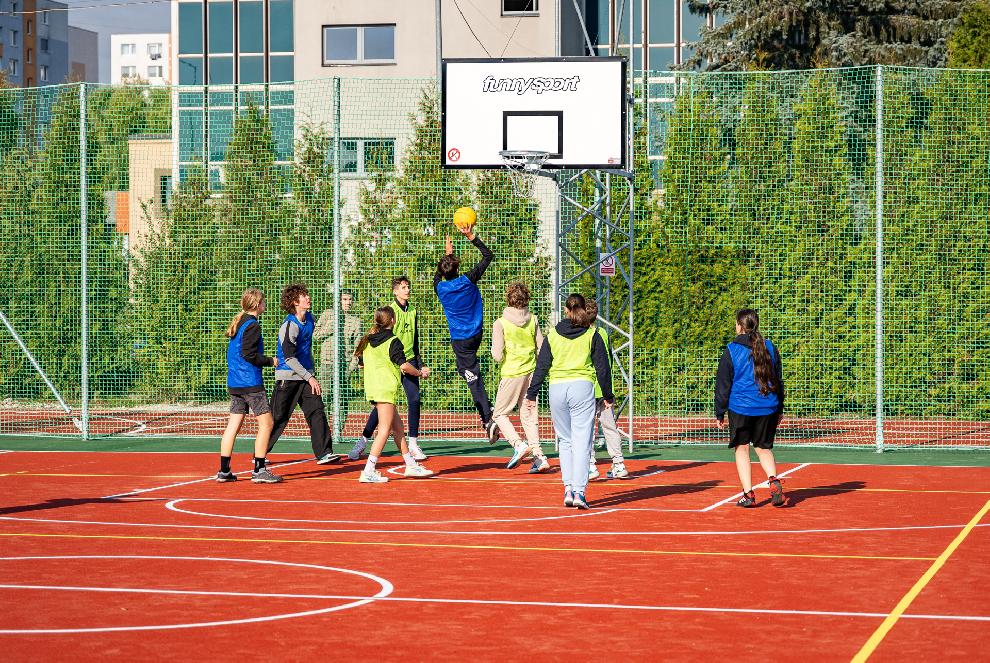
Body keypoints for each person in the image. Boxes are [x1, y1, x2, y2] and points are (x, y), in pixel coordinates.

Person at [524, 294, 614, 510]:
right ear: (584, 310)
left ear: (566, 310)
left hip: (557, 388)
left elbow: (542, 366)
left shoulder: (553, 334)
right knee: (582, 442)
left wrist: (531, 394)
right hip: (581, 387)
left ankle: (567, 489)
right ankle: (579, 492)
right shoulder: (592, 334)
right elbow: (603, 368)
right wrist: (608, 396)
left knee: (565, 441)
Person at [434, 221, 500, 444]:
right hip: (477, 333)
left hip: (461, 340)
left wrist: (446, 256)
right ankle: (487, 410)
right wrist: (470, 236)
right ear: (456, 268)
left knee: (472, 378)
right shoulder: (468, 279)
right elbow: (487, 256)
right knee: (466, 370)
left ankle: (488, 418)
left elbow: (437, 275)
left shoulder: (440, 288)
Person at [353, 306, 434, 483]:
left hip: (374, 388)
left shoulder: (367, 340)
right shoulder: (393, 341)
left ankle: (410, 465)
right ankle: (368, 470)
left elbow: (361, 364)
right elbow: (404, 366)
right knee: (384, 430)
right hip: (386, 389)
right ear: (392, 321)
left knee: (398, 429)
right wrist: (420, 373)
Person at [714, 308, 786, 507]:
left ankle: (749, 495)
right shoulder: (769, 347)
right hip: (768, 406)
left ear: (739, 326)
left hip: (741, 408)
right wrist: (780, 408)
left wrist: (719, 411)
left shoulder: (731, 350)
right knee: (763, 448)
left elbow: (723, 384)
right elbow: (778, 380)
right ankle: (773, 480)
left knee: (742, 449)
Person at [350, 276, 426, 461]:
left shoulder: (413, 310)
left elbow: (415, 340)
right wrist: (363, 356)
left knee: (414, 399)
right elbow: (377, 331)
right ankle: (362, 441)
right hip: (392, 360)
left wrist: (420, 363)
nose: (407, 290)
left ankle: (414, 444)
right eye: (403, 287)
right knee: (383, 406)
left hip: (408, 359)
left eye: (408, 286)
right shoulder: (390, 311)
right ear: (395, 291)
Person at [266, 283, 340, 465]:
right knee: (278, 418)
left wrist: (309, 374)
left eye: (307, 294)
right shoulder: (289, 325)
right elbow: (289, 358)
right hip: (288, 378)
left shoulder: (311, 319)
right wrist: (310, 377)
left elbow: (307, 348)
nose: (308, 297)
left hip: (306, 376)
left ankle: (324, 453)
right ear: (294, 302)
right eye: (303, 296)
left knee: (317, 411)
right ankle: (260, 454)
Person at [218, 288, 282, 483]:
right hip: (250, 383)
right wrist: (270, 360)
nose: (265, 304)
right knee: (267, 423)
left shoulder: (240, 323)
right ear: (256, 304)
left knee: (233, 425)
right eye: (263, 301)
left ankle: (224, 471)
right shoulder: (252, 325)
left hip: (235, 382)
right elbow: (249, 355)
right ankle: (259, 469)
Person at [491, 281, 550, 473]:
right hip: (531, 372)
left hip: (512, 372)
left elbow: (497, 355)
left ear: (508, 299)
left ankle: (518, 444)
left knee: (499, 413)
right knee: (529, 415)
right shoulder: (533, 319)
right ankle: (539, 456)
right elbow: (541, 346)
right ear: (526, 299)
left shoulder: (500, 323)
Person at [585, 299, 630, 480]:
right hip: (604, 389)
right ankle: (619, 463)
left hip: (588, 389)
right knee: (609, 427)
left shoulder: (582, 335)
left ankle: (589, 465)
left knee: (587, 429)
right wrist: (608, 391)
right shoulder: (602, 332)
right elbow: (607, 363)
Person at [314, 288, 364, 435]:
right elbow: (315, 335)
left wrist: (351, 368)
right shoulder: (328, 314)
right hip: (327, 364)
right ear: (338, 300)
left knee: (342, 399)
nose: (347, 302)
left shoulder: (355, 321)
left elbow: (358, 348)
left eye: (350, 299)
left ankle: (338, 431)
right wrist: (330, 328)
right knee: (324, 398)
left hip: (344, 365)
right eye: (344, 299)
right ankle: (323, 431)